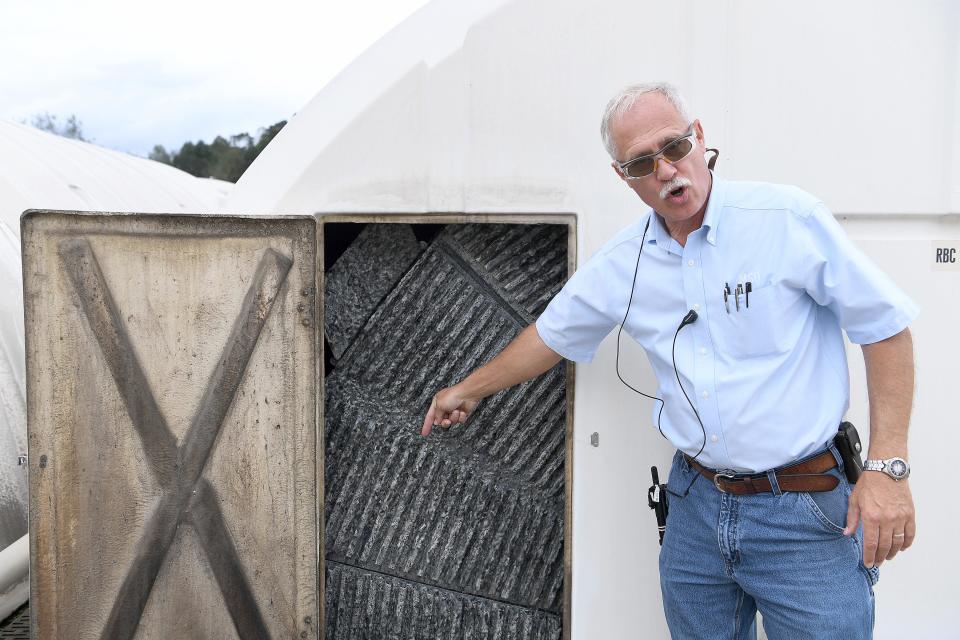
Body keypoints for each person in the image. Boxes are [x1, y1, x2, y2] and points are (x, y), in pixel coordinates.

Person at [420, 82, 917, 639]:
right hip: (696, 510)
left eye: (675, 147)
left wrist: (887, 470)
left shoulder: (786, 220)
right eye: (641, 162)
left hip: (805, 510)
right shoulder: (624, 263)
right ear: (623, 176)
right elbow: (550, 336)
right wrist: (467, 389)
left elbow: (886, 329)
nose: (666, 170)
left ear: (699, 138)